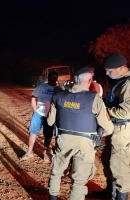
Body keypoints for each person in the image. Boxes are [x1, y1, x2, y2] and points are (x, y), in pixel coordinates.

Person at [47, 66, 114, 200]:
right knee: (78, 181)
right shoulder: (94, 98)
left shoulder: (58, 96)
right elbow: (108, 128)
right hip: (85, 144)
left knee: (56, 172)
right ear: (89, 81)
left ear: (73, 80)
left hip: (63, 141)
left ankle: (52, 197)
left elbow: (50, 122)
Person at [102, 52, 130, 200]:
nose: (107, 73)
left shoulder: (128, 84)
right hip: (114, 129)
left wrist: (104, 112)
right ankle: (110, 193)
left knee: (119, 165)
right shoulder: (119, 80)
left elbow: (127, 112)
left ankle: (121, 196)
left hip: (123, 129)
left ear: (120, 67)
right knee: (108, 160)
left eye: (109, 70)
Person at [21, 70, 60, 161]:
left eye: (54, 77)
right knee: (33, 132)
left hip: (50, 116)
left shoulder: (59, 90)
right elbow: (34, 98)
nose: (52, 78)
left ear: (57, 78)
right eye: (51, 76)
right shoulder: (41, 87)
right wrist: (35, 110)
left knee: (48, 135)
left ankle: (45, 152)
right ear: (48, 76)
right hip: (38, 114)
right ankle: (29, 152)